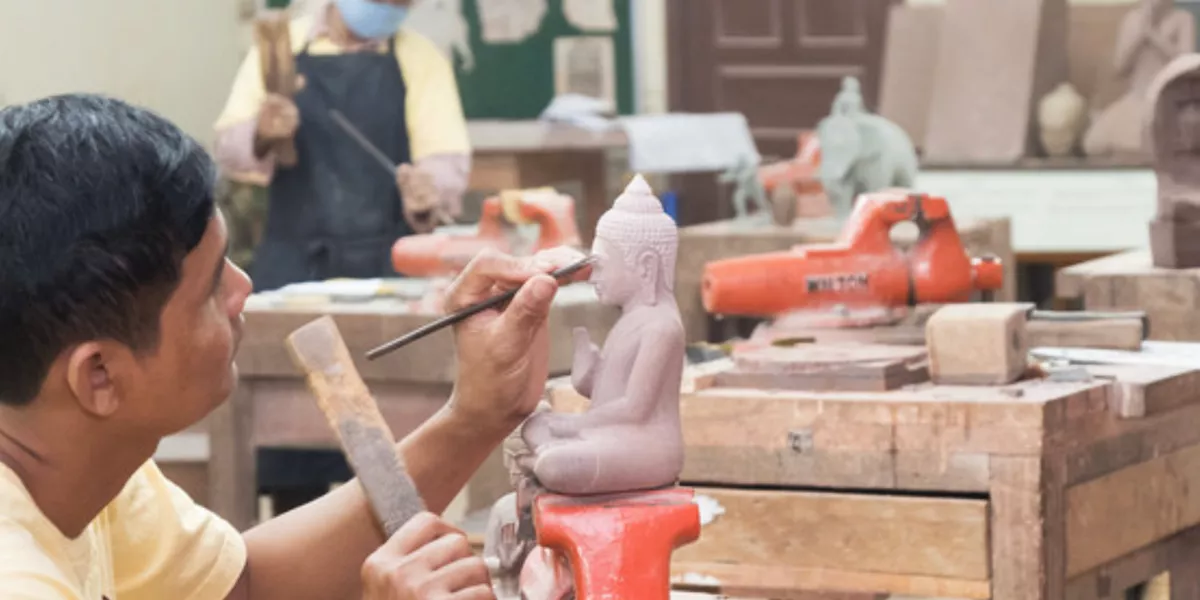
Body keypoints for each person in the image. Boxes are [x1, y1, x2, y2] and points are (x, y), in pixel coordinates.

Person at [0, 94, 585, 599]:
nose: (243, 289)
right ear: (98, 375)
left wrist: (475, 416)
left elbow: (246, 586)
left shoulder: (82, 467)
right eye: (209, 289)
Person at [214, 0, 471, 292]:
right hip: (293, 263)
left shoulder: (421, 58)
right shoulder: (281, 46)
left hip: (389, 266)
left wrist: (428, 194)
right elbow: (229, 153)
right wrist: (262, 134)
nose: (389, 5)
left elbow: (444, 167)